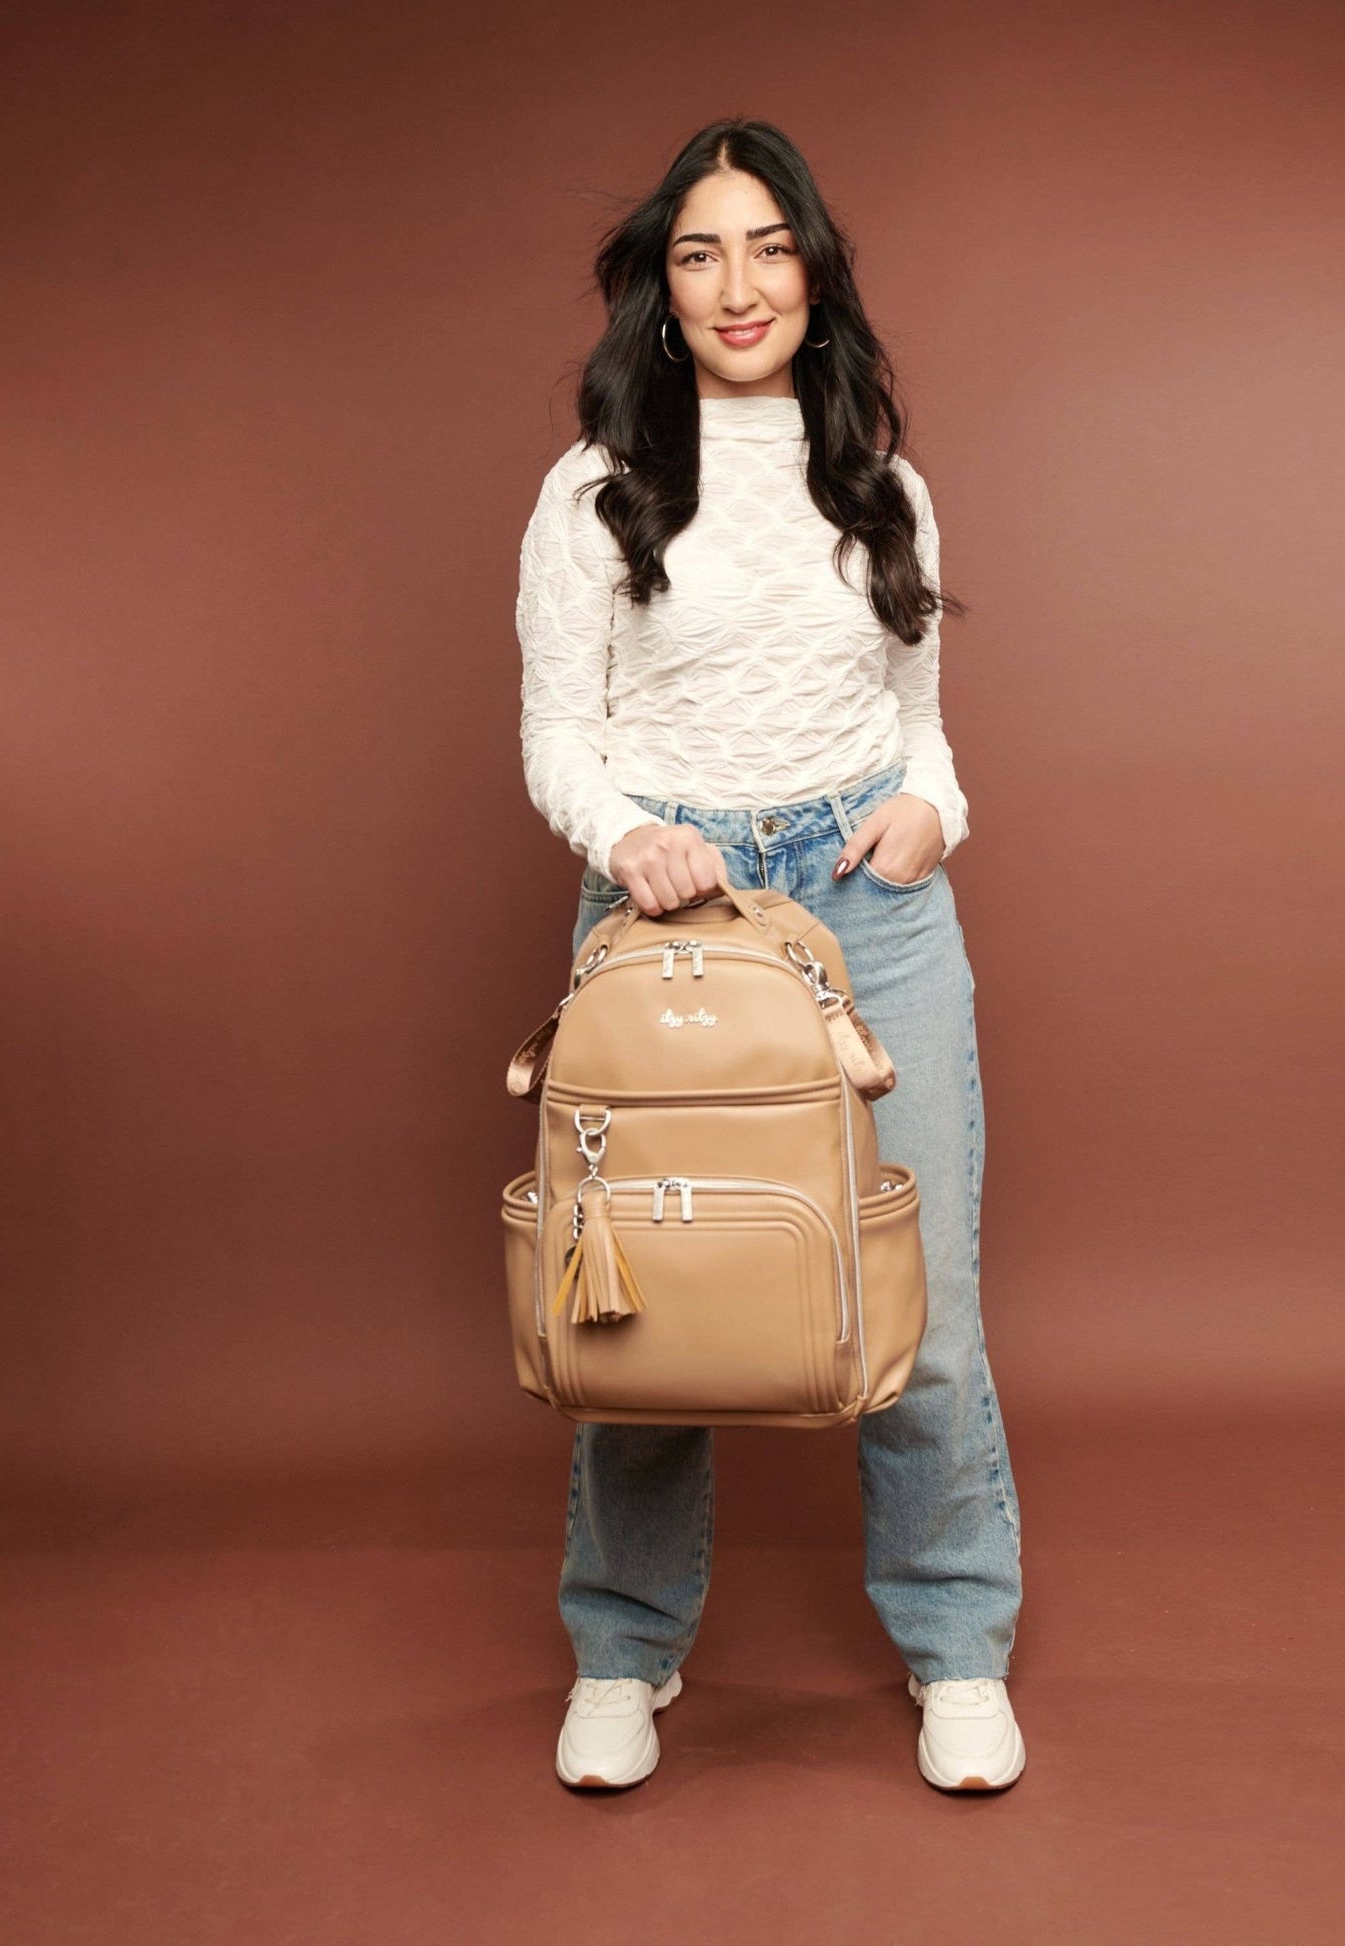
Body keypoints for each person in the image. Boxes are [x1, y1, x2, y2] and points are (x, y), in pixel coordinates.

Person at [514, 118, 1025, 1793]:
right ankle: (621, 1645)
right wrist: (624, 838)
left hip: (870, 903)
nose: (737, 286)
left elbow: (921, 727)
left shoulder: (883, 484)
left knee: (919, 1300)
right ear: (661, 292)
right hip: (669, 915)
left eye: (767, 247)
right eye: (697, 254)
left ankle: (954, 1644)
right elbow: (554, 735)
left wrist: (932, 811)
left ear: (814, 272)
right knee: (646, 1302)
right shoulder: (593, 491)